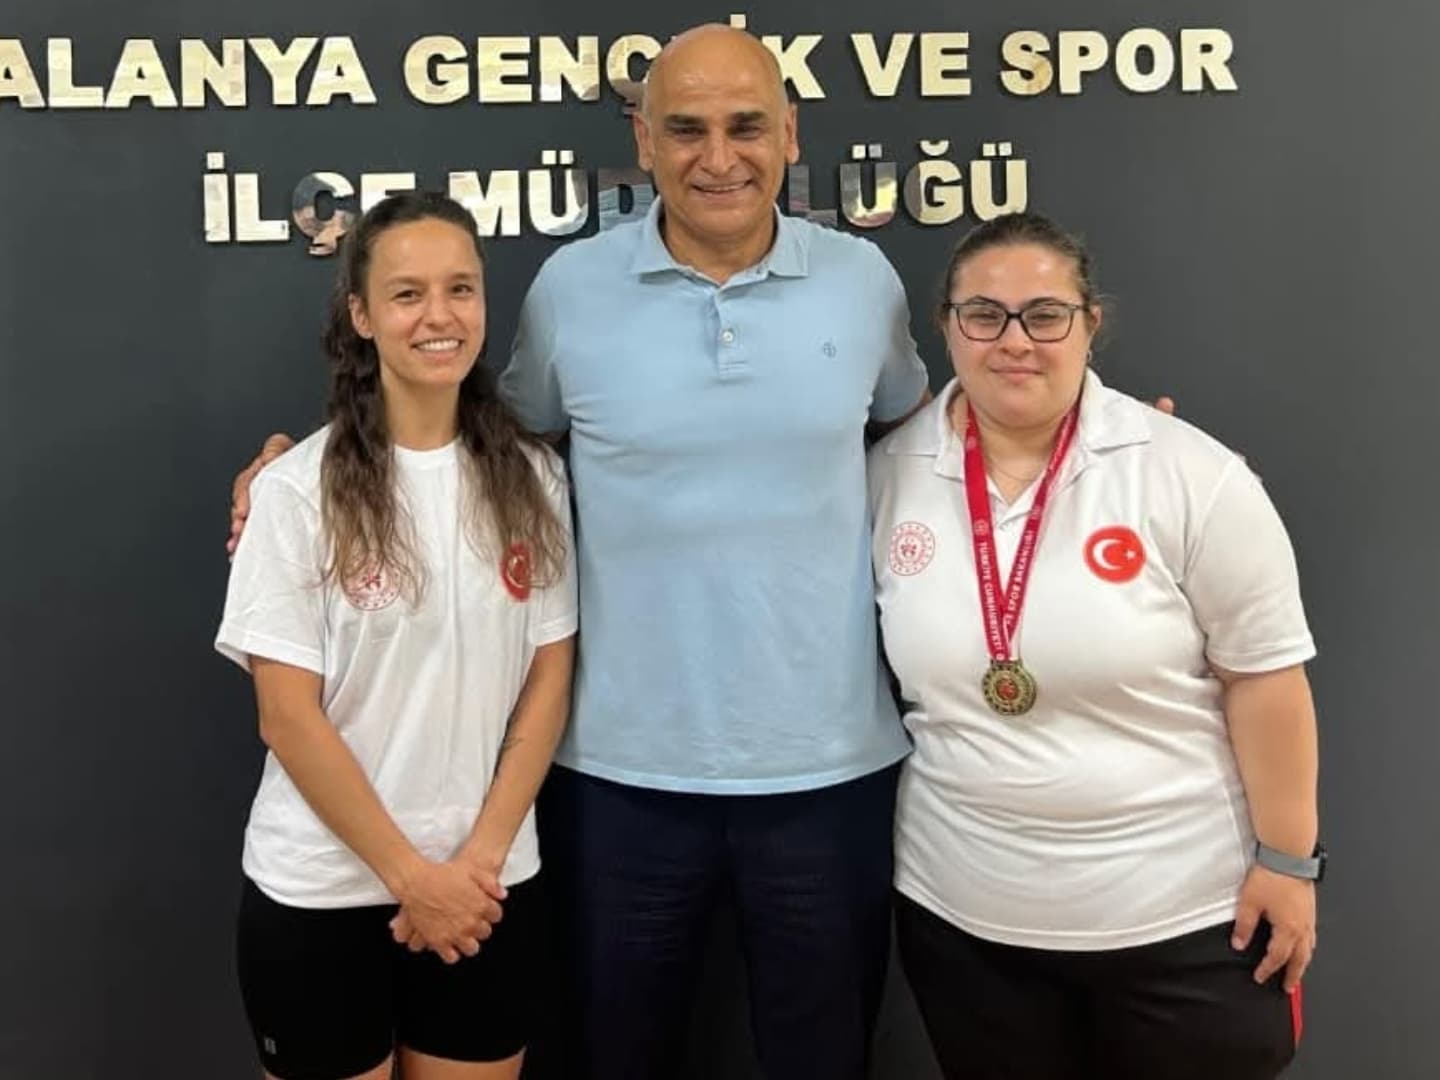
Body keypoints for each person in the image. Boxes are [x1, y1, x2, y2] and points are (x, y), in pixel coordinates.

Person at [230, 24, 929, 1080]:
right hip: (615, 777)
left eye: (746, 126)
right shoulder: (571, 288)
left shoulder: (864, 281)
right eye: (685, 129)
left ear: (791, 133)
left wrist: (1089, 448)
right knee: (612, 1054)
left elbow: (921, 432)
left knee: (826, 1055)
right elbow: (480, 439)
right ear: (643, 141)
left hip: (829, 770)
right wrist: (296, 469)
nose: (719, 157)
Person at [867, 211, 1321, 1080]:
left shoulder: (1189, 473)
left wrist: (1290, 862)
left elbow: (1266, 682)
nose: (1015, 341)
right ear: (946, 327)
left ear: (1090, 324)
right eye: (984, 315)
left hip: (1184, 918)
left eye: (1045, 315)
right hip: (966, 924)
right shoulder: (888, 476)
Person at [216, 191, 577, 1080]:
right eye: (407, 294)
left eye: (461, 289)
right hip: (321, 893)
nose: (439, 316)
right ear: (362, 315)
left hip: (487, 889)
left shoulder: (535, 479)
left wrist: (477, 862)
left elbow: (548, 678)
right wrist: (414, 879)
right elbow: (286, 717)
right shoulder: (295, 492)